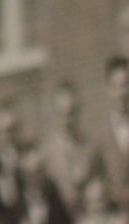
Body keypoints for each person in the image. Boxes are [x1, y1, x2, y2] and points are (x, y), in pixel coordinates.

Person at [97, 56, 129, 209]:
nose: (122, 93)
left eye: (125, 85)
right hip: (114, 214)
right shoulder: (100, 136)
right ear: (108, 89)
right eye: (116, 86)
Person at [42, 81, 99, 211]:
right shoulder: (47, 153)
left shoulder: (90, 146)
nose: (67, 119)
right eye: (62, 112)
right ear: (55, 113)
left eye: (71, 111)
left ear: (79, 110)